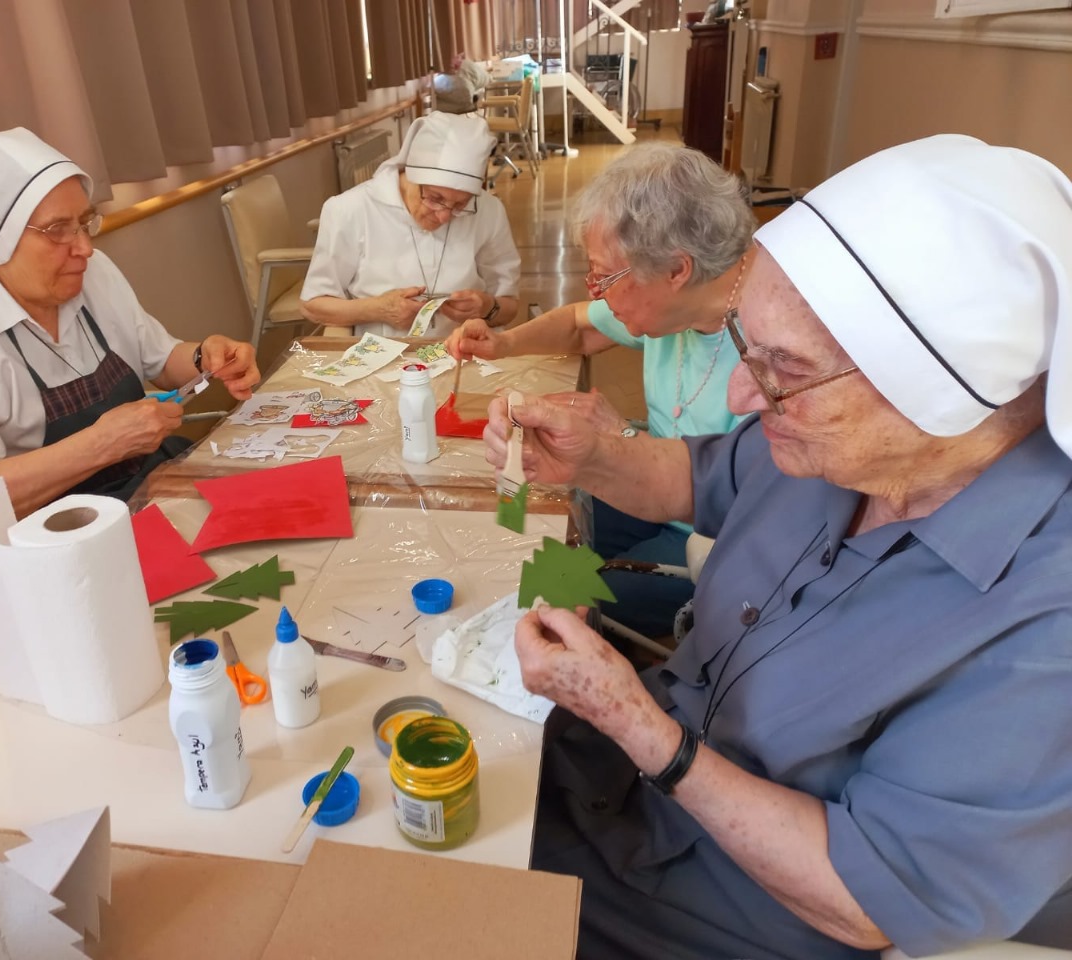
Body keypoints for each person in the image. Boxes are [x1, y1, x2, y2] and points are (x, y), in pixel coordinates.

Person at [485, 135, 1072, 959]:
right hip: (617, 781)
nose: (739, 392)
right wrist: (596, 456)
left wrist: (636, 722)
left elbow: (871, 898)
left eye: (783, 370)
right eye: (744, 344)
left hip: (717, 907)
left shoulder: (1044, 625)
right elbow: (701, 480)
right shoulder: (847, 442)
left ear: (935, 397)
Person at [448, 143, 756, 638]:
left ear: (676, 270)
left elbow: (750, 503)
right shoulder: (682, 300)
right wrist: (503, 343)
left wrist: (622, 442)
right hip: (652, 494)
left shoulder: (774, 355)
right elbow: (579, 326)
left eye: (604, 275)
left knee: (555, 600)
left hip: (715, 541)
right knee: (527, 521)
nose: (593, 290)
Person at [0, 128, 260, 516]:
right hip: (53, 534)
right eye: (56, 230)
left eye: (84, 222)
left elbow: (159, 361)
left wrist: (204, 357)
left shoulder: (91, 273)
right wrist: (103, 444)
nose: (84, 248)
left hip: (152, 482)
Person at [300, 111, 521, 339]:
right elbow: (313, 305)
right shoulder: (349, 209)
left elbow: (509, 307)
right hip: (381, 355)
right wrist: (379, 309)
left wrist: (487, 307)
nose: (445, 216)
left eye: (460, 205)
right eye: (435, 198)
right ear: (412, 175)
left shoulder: (488, 210)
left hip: (464, 353)